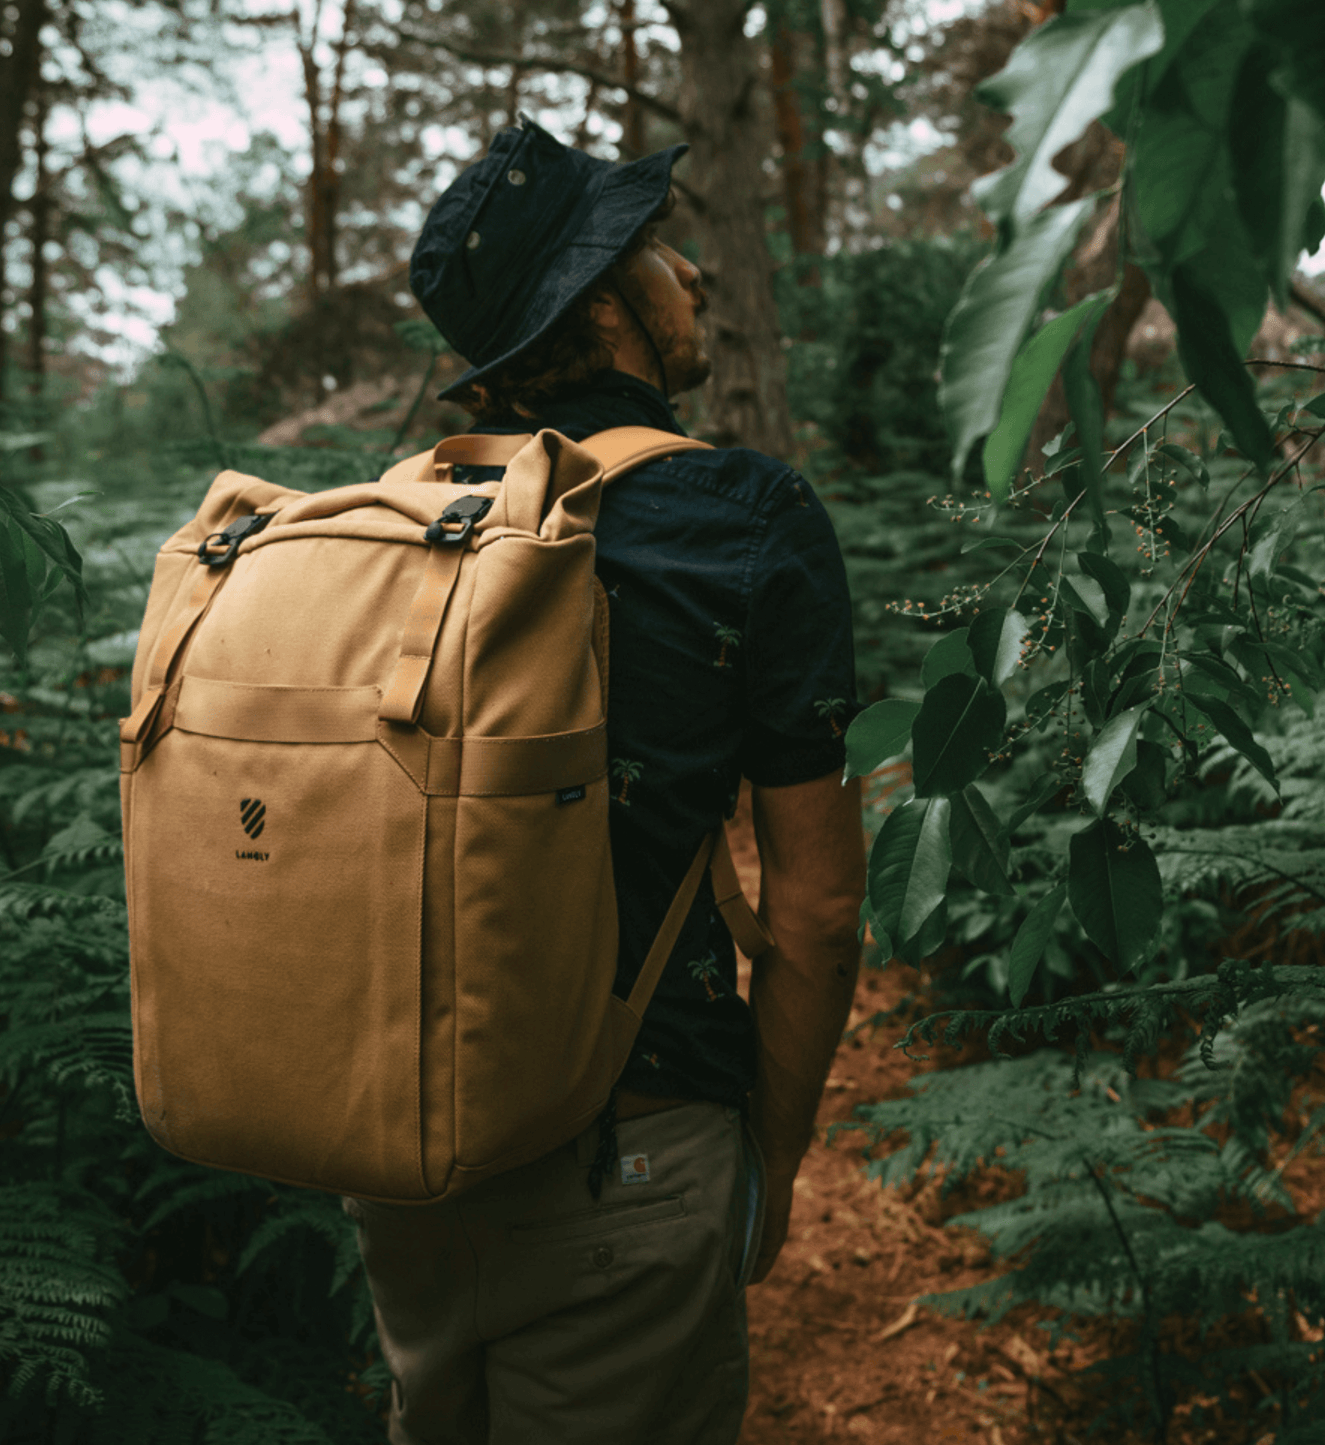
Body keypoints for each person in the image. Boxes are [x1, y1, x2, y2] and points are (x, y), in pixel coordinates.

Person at [344, 118, 866, 1445]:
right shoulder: (742, 515)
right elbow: (812, 906)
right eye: (658, 249)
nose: (693, 274)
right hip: (629, 1161)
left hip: (394, 1159)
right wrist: (778, 1161)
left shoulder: (396, 518)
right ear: (606, 305)